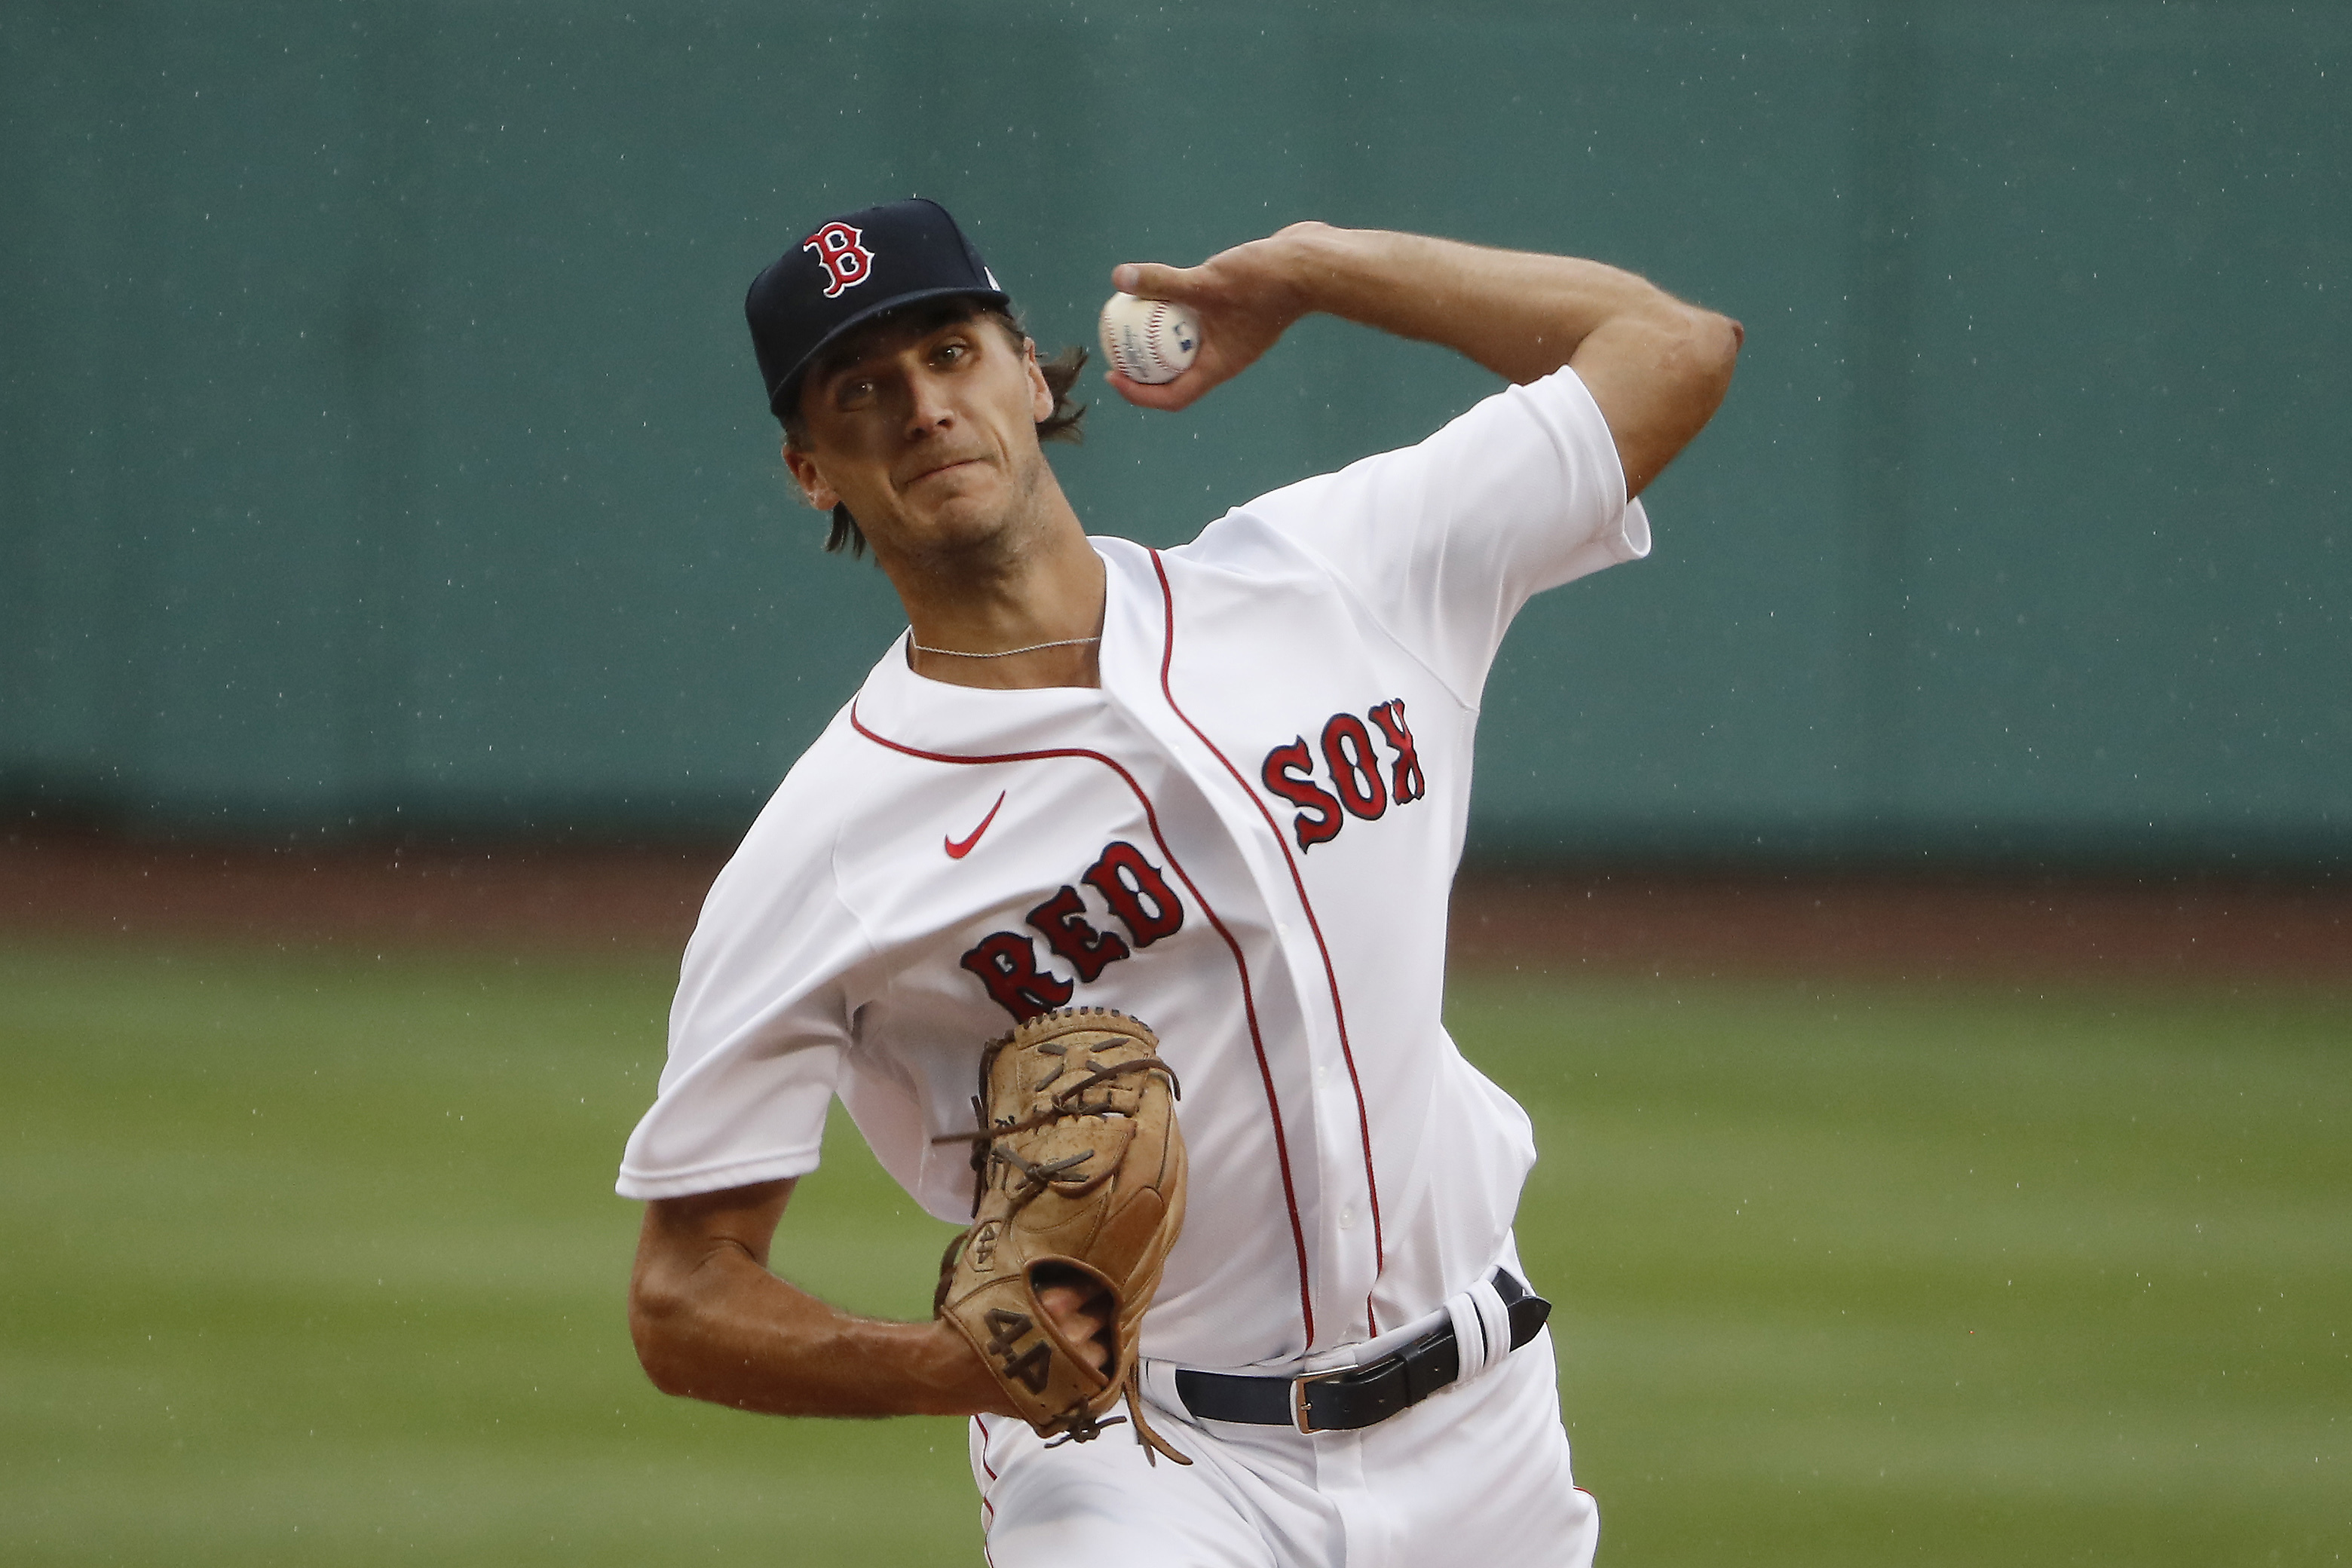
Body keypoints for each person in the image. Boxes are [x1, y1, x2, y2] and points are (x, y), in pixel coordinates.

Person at [619, 195, 1739, 1566]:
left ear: (1031, 371)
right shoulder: (828, 845)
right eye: (862, 388)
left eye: (952, 353)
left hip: (1486, 1435)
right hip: (1139, 1470)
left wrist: (1321, 270)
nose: (923, 406)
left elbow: (1669, 346)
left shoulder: (1340, 576)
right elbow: (683, 1297)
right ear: (811, 469)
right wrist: (940, 1366)